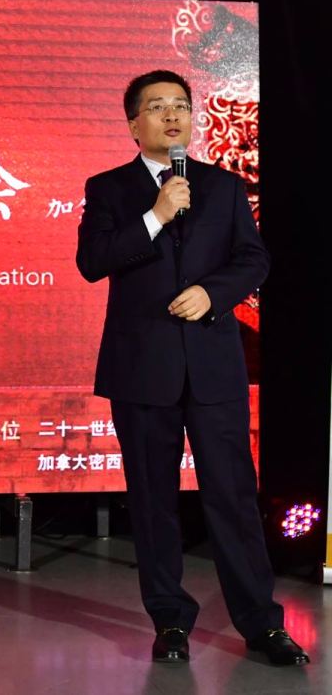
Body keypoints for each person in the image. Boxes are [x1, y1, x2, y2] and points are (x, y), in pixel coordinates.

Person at [76, 70, 308, 665]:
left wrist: (213, 293)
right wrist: (155, 215)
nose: (172, 116)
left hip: (212, 367)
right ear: (134, 125)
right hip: (141, 368)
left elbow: (253, 258)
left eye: (180, 105)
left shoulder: (223, 187)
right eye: (157, 107)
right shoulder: (109, 188)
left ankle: (262, 624)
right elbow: (93, 261)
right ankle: (170, 622)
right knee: (153, 501)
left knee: (232, 497)